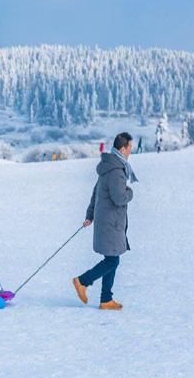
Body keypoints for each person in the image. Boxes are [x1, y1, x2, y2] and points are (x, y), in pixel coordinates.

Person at [73, 132, 138, 310]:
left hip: (107, 221)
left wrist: (89, 216)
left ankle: (106, 299)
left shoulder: (108, 166)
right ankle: (82, 281)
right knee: (112, 261)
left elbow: (96, 193)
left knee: (112, 257)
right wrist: (130, 193)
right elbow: (119, 198)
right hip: (111, 222)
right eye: (130, 147)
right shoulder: (117, 171)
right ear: (122, 148)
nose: (131, 150)